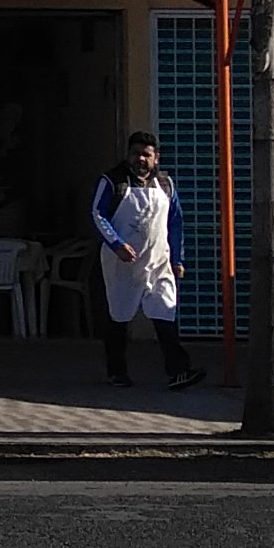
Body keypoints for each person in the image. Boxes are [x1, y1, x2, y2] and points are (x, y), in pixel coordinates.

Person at [90, 130, 201, 390]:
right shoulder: (112, 181)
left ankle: (179, 371)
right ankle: (117, 372)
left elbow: (175, 222)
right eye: (136, 153)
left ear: (156, 158)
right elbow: (97, 214)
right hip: (122, 264)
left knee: (165, 313)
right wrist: (116, 244)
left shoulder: (166, 184)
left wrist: (177, 259)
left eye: (146, 155)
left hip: (158, 262)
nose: (141, 159)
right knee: (119, 316)